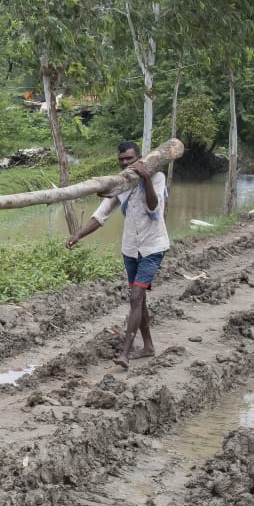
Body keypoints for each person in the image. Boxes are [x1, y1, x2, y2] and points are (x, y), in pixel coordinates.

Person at [66, 140, 169, 368]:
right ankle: (148, 347)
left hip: (152, 247)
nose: (125, 163)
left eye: (129, 159)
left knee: (135, 297)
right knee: (139, 300)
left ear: (139, 158)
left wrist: (145, 179)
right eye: (121, 160)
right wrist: (78, 235)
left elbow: (154, 207)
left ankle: (125, 352)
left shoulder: (157, 178)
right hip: (130, 249)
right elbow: (101, 215)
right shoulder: (121, 185)